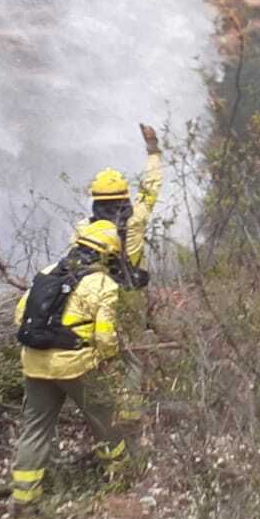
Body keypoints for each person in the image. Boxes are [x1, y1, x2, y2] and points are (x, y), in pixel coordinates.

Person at [8, 219, 133, 513]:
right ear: (107, 255)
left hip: (35, 364)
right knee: (105, 418)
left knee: (36, 427)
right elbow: (105, 336)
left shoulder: (47, 273)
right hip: (76, 366)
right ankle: (121, 474)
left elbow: (19, 317)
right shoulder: (103, 284)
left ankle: (24, 499)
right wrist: (108, 358)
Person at [86, 122, 163, 424]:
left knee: (99, 353)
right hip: (129, 296)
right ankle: (130, 416)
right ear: (123, 196)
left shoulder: (85, 229)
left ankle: (100, 409)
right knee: (132, 357)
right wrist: (153, 149)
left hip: (94, 296)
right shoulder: (137, 219)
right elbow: (152, 185)